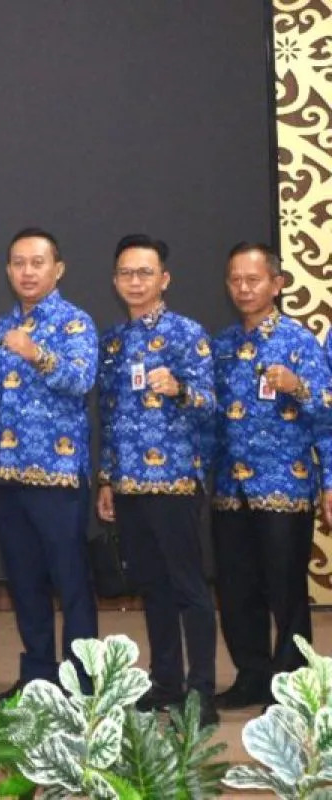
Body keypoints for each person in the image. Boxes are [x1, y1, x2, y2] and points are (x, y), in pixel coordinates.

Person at [95, 235, 218, 725]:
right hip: (128, 486)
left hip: (174, 482)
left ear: (164, 279)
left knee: (189, 588)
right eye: (126, 273)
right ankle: (166, 682)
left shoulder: (188, 333)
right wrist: (106, 479)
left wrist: (181, 388)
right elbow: (109, 417)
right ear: (114, 281)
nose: (135, 281)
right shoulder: (112, 342)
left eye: (145, 272)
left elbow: (211, 403)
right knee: (153, 589)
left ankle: (201, 692)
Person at [210, 242, 332, 710]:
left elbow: (326, 414)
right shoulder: (222, 346)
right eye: (235, 280)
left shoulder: (299, 341)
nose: (243, 288)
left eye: (253, 279)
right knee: (236, 589)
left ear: (276, 284)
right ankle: (252, 676)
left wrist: (297, 386)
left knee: (286, 591)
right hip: (230, 489)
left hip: (284, 485)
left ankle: (292, 684)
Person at [0, 227, 98, 698]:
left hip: (58, 478)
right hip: (9, 478)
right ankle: (37, 676)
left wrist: (37, 355)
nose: (27, 272)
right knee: (24, 584)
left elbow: (81, 380)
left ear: (58, 269)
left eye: (37, 262)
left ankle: (81, 682)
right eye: (18, 263)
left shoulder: (75, 324)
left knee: (71, 583)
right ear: (8, 271)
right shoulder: (0, 329)